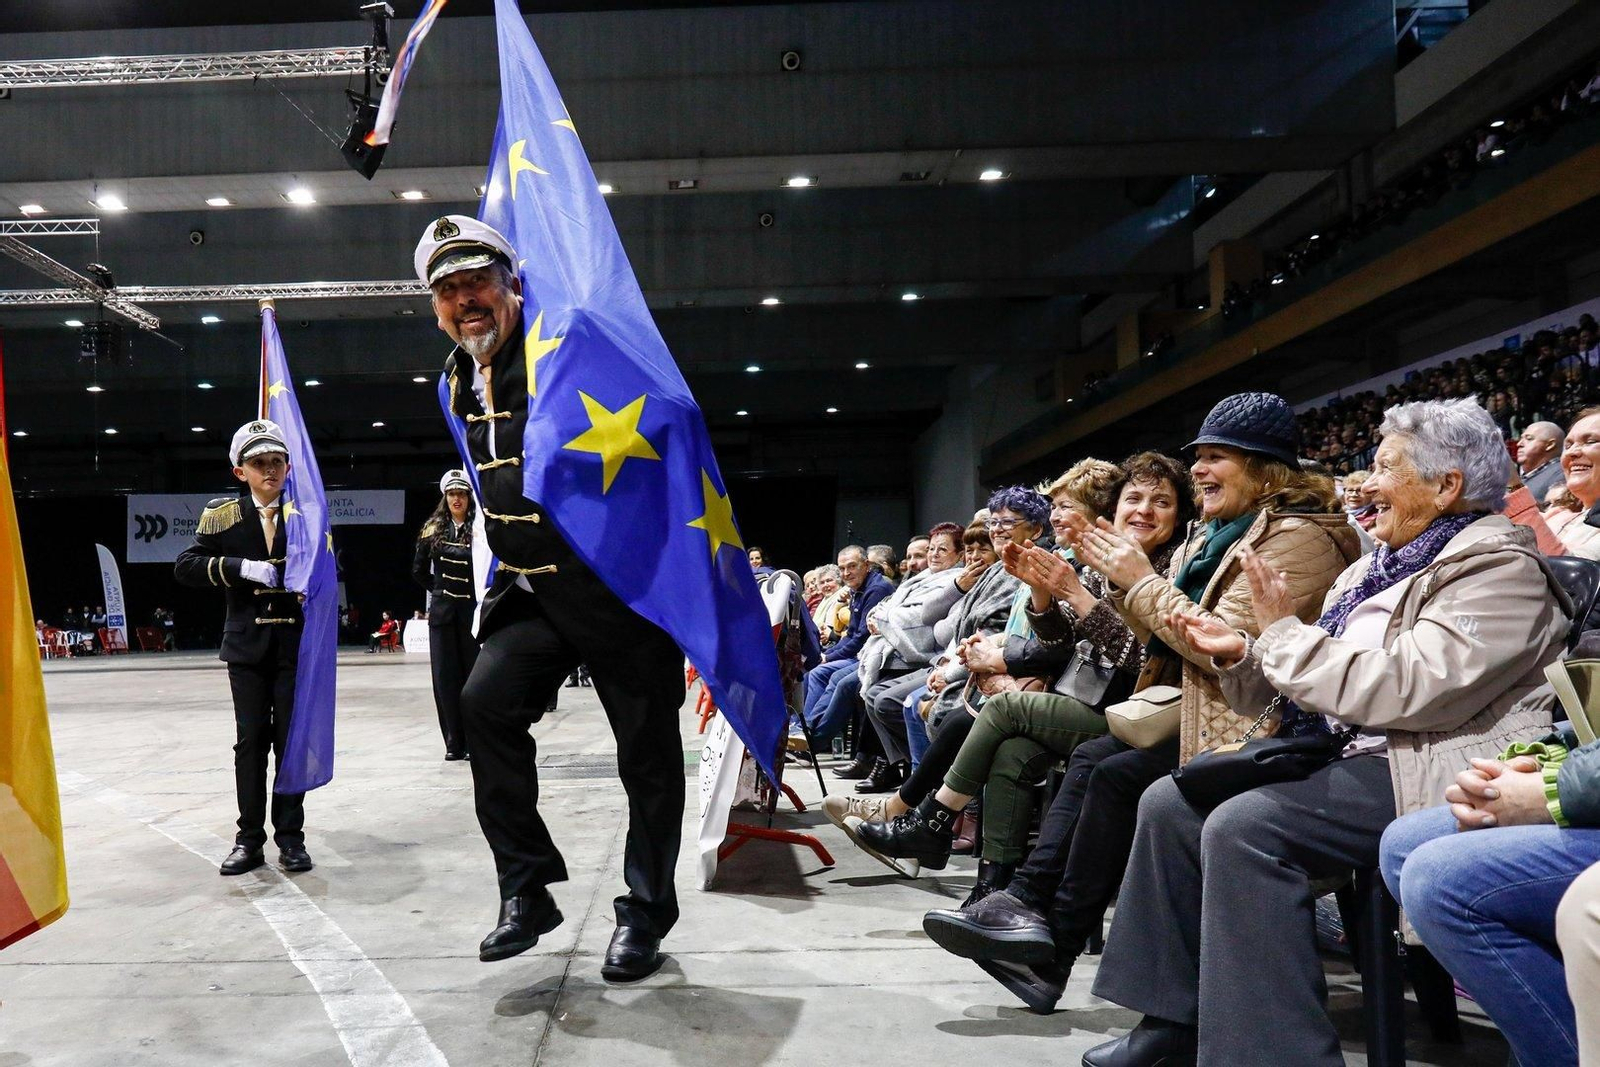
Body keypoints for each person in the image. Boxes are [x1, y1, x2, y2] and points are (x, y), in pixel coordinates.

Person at [1085, 397, 1569, 1067]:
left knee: (1246, 826)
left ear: (1446, 485)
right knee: (1170, 801)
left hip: (1427, 763)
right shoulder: (1375, 566)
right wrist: (1240, 654)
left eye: (1385, 466)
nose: (1366, 483)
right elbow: (1309, 675)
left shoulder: (1500, 571)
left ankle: (1280, 1055)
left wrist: (1279, 633)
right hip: (1346, 748)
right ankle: (1173, 1021)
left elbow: (1407, 688)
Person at [922, 393, 1360, 1015]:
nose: (1200, 471)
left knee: (1100, 764)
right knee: (1088, 759)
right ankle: (1023, 910)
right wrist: (1060, 596)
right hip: (1182, 711)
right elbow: (1127, 645)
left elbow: (1208, 649)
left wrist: (1109, 586)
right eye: (1198, 459)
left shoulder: (1295, 540)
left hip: (1264, 724)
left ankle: (1003, 893)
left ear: (1266, 468)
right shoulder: (1214, 537)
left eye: (1216, 459)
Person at [417, 215, 687, 981]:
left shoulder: (568, 351)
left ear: (513, 285)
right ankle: (526, 887)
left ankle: (644, 912)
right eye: (448, 289)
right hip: (533, 589)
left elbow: (665, 413)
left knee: (648, 756)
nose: (465, 299)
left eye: (477, 281)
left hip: (616, 587)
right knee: (484, 704)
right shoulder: (450, 378)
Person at [898, 453, 1194, 903]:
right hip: (1089, 697)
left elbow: (1142, 661)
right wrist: (1040, 592)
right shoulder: (1097, 561)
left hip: (1136, 712)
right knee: (1011, 753)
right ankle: (993, 887)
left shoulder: (1175, 566)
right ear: (1115, 510)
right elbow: (1058, 642)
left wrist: (1069, 593)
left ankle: (930, 820)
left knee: (1000, 709)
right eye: (1133, 498)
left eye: (1161, 502)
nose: (1144, 511)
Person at [1380, 718, 1600, 1067]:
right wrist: (1548, 756)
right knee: (1403, 845)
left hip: (1444, 738)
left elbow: (1414, 684)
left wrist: (1551, 790)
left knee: (1439, 880)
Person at [174, 419, 313, 876]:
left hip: (294, 647)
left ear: (288, 467)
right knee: (251, 743)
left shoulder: (307, 516)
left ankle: (291, 839)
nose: (269, 470)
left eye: (276, 462)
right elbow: (186, 565)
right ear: (241, 472)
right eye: (259, 463)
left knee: (290, 745)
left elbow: (332, 569)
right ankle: (248, 839)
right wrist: (240, 568)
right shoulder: (224, 515)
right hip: (247, 647)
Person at [797, 545, 895, 749]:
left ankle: (811, 741)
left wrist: (827, 658)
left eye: (852, 566)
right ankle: (802, 731)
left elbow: (861, 639)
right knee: (813, 672)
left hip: (876, 656)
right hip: (860, 653)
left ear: (866, 565)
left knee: (833, 677)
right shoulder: (857, 589)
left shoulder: (877, 589)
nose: (846, 573)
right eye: (842, 568)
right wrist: (825, 654)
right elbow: (850, 635)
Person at [411, 470, 480, 760]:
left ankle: (475, 742)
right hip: (442, 615)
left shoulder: (480, 529)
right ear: (445, 497)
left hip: (471, 612)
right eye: (452, 494)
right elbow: (418, 571)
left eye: (461, 494)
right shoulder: (432, 529)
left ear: (468, 498)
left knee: (474, 680)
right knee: (445, 679)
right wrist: (438, 591)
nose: (456, 499)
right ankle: (454, 742)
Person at [1518, 420, 1566, 501]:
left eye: (1529, 438)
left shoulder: (1561, 474)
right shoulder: (1528, 476)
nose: (1519, 444)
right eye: (1521, 438)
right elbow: (1515, 494)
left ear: (1549, 445)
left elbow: (1521, 503)